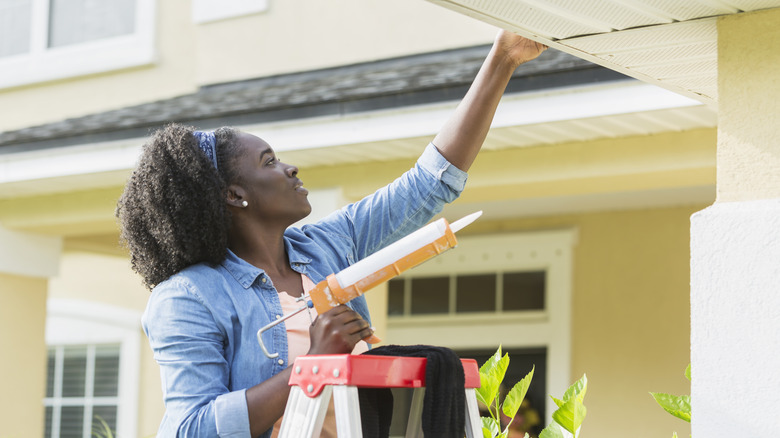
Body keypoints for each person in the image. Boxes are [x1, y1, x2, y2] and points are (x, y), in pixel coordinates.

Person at [116, 30, 546, 437]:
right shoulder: (188, 296)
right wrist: (314, 365)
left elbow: (429, 183)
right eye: (268, 162)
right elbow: (191, 427)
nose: (290, 168)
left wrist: (504, 58)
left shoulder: (327, 247)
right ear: (234, 195)